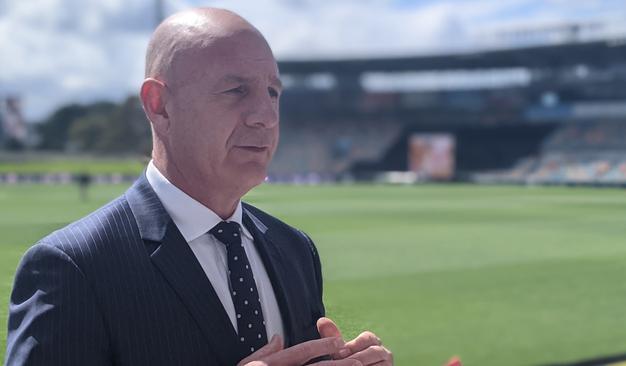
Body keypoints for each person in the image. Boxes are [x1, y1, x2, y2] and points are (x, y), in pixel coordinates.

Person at [5, 7, 393, 366]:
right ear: (159, 104)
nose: (265, 116)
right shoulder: (73, 268)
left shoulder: (294, 249)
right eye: (236, 90)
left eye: (272, 92)